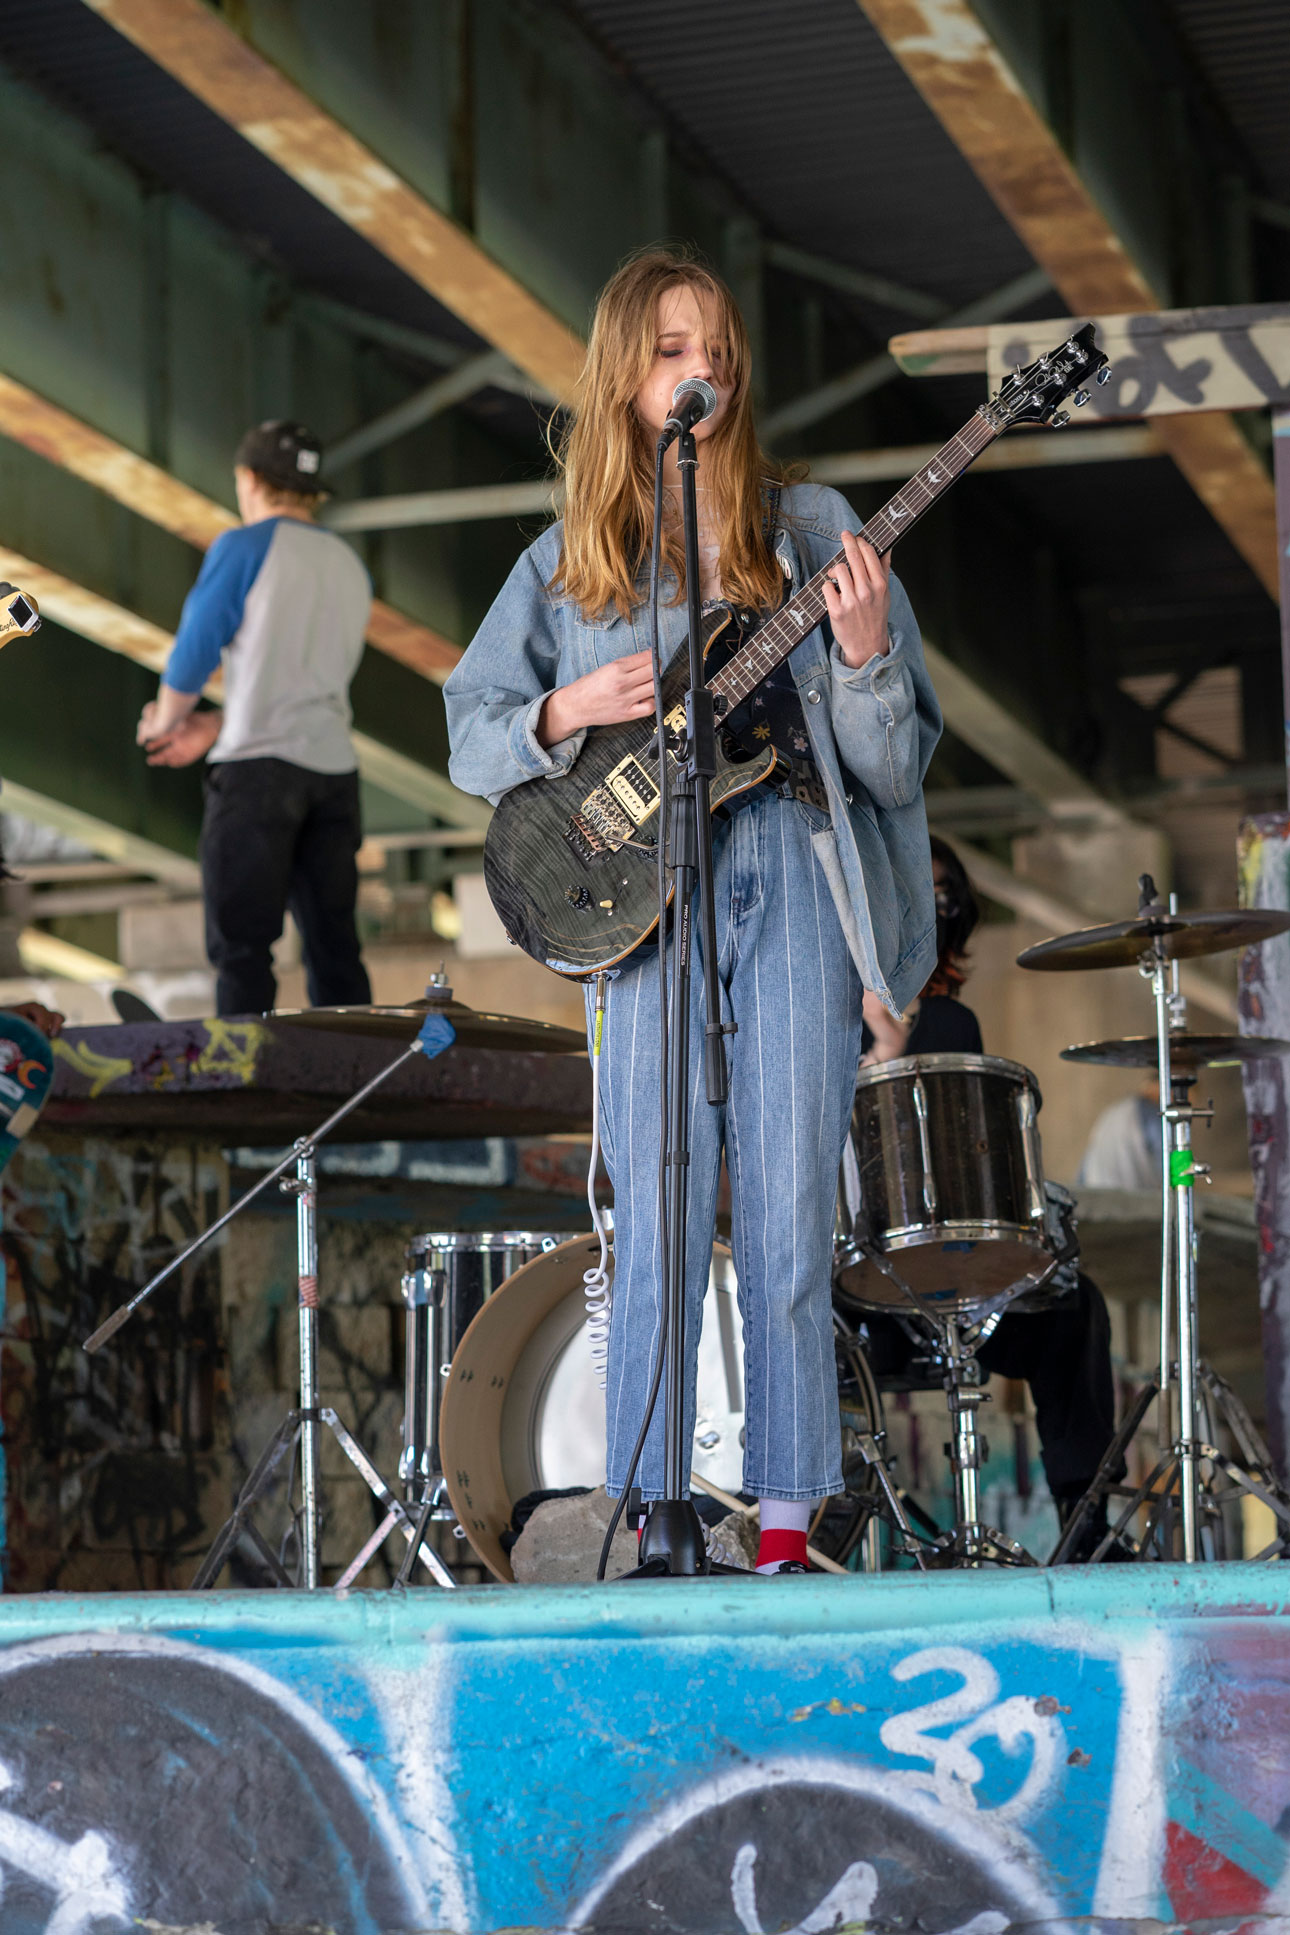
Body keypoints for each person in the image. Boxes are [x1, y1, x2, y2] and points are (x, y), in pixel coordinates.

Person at [444, 250, 941, 1574]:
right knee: (653, 1211)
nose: (698, 372)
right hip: (635, 911)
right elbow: (465, 730)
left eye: (712, 347)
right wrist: (562, 710)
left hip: (788, 878)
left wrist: (863, 655)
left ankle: (784, 1524)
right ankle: (652, 1516)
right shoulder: (569, 565)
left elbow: (893, 770)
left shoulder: (817, 526)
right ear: (626, 377)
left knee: (785, 1213)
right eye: (670, 349)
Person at [855, 835, 1123, 1555]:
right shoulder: (813, 1013)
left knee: (1074, 1308)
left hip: (955, 1283)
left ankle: (1089, 1524)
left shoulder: (952, 1022)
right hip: (852, 1286)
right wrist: (875, 1062)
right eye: (923, 892)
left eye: (948, 899)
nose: (937, 909)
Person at [136, 421, 373, 1018]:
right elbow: (301, 680)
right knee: (335, 949)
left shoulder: (243, 546)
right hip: (334, 776)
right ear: (314, 491)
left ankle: (243, 1081)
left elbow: (195, 650)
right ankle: (356, 1081)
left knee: (242, 949)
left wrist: (165, 720)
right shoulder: (350, 566)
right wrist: (214, 725)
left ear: (248, 480)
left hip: (256, 777)